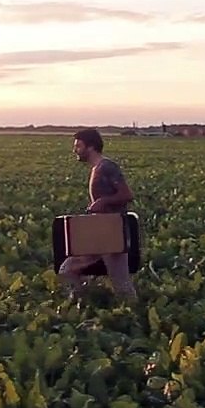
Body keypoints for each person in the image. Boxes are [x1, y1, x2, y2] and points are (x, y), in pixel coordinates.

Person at [58, 128, 138, 299]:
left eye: (78, 146)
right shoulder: (97, 168)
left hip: (112, 231)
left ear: (91, 147)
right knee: (67, 269)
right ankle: (84, 301)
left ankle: (133, 315)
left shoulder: (107, 167)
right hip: (98, 231)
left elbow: (127, 194)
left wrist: (103, 201)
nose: (75, 150)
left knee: (121, 284)